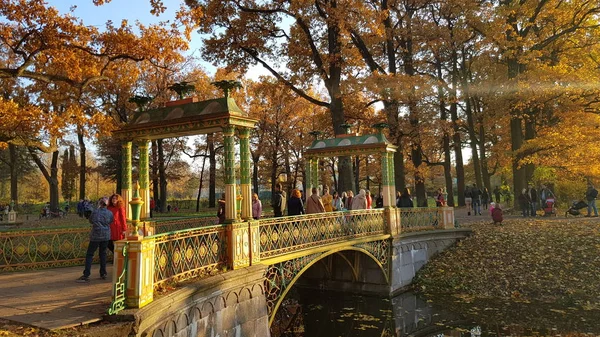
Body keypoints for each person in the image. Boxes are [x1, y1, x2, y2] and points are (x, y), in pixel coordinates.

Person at [77, 197, 113, 282]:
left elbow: (91, 221)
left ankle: (86, 274)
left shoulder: (95, 212)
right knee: (103, 254)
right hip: (106, 235)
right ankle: (103, 273)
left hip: (96, 236)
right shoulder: (109, 213)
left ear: (100, 203)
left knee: (90, 254)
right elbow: (111, 221)